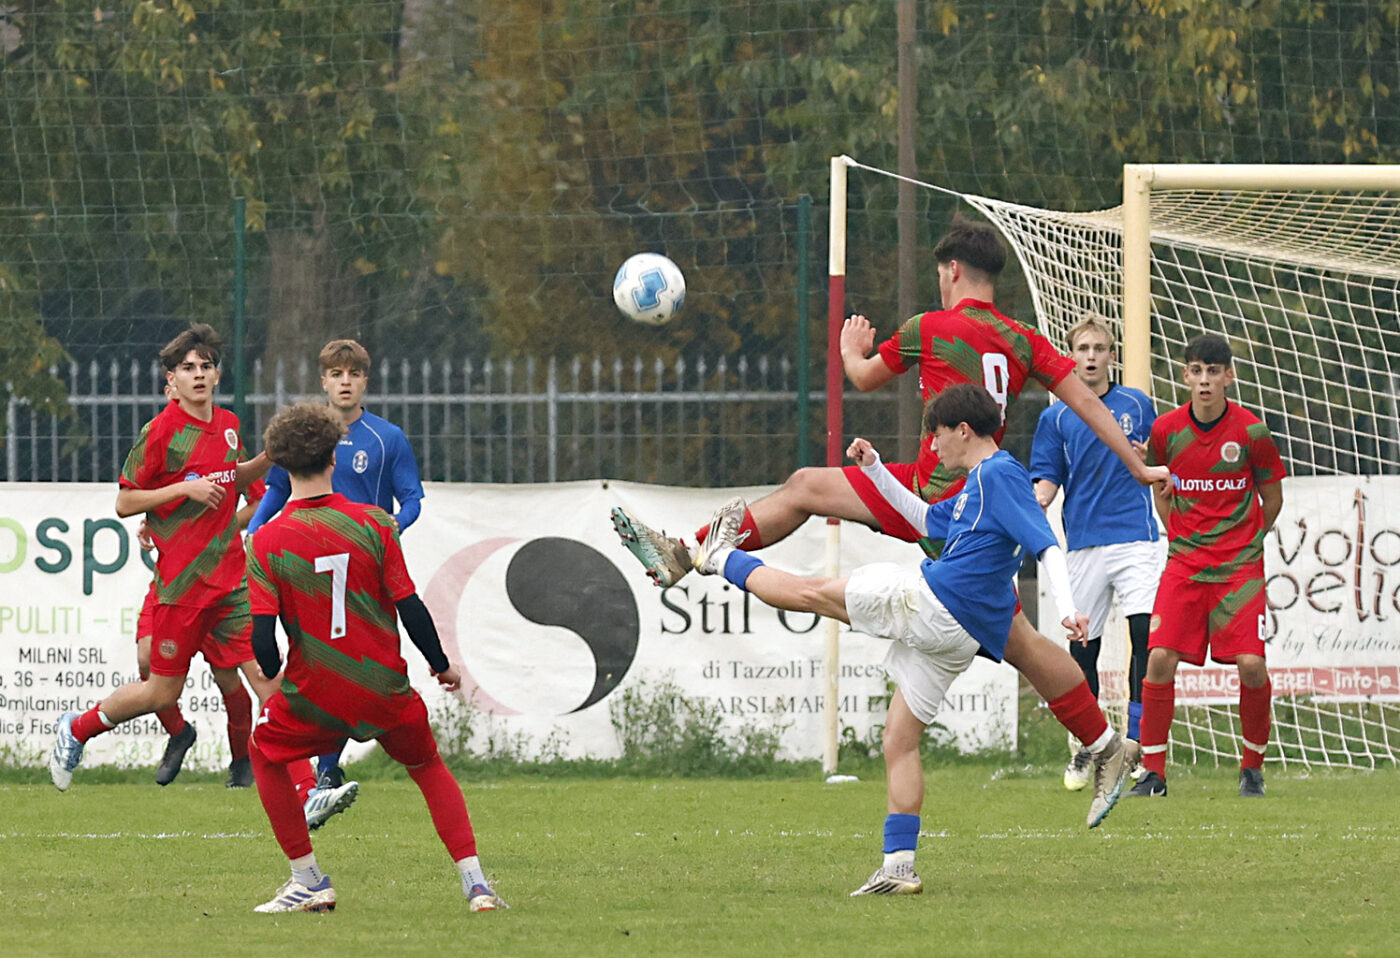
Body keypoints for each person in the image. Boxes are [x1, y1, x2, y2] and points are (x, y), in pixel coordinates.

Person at [611, 215, 1168, 685]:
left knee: (1020, 645)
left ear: (952, 271)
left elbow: (864, 377)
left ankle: (1096, 739)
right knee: (807, 486)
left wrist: (851, 347)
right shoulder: (1026, 338)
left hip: (939, 500)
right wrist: (1137, 465)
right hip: (978, 499)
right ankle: (683, 552)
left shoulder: (930, 326)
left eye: (940, 273)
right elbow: (1089, 408)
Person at [690, 384, 1140, 896]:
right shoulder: (977, 482)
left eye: (937, 434)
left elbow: (1047, 545)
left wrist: (1069, 606)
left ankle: (718, 555)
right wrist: (878, 470)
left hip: (934, 606)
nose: (933, 446)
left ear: (963, 430)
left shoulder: (1000, 475)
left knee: (812, 593)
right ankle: (899, 866)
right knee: (898, 740)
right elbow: (926, 520)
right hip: (956, 633)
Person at [244, 402, 504, 914]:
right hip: (385, 689)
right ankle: (476, 885)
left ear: (279, 464)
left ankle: (308, 880)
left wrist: (272, 676)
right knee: (428, 766)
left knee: (264, 752)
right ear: (334, 460)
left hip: (315, 694)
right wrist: (441, 664)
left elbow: (261, 641)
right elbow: (410, 606)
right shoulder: (375, 524)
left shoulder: (267, 540)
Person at [46, 323, 313, 798]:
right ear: (171, 378)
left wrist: (273, 455)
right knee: (160, 693)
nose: (197, 375)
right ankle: (78, 728)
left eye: (205, 366)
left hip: (232, 582)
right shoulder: (161, 431)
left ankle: (308, 790)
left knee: (268, 681)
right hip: (182, 588)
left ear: (216, 375)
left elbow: (236, 477)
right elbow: (125, 503)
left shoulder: (229, 425)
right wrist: (183, 489)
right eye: (187, 368)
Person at [248, 339, 425, 816]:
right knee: (320, 660)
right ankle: (323, 771)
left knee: (357, 659)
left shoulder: (387, 438)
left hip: (364, 565)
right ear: (323, 381)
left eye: (354, 374)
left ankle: (326, 769)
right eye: (336, 374)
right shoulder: (309, 438)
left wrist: (391, 529)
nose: (345, 382)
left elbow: (411, 499)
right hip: (308, 566)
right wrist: (255, 528)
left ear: (365, 381)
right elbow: (276, 489)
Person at [1127, 333, 1285, 799]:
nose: (1204, 381)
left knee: (1252, 665)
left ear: (1228, 377)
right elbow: (1159, 485)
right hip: (1186, 564)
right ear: (1185, 376)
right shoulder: (1166, 431)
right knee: (1158, 659)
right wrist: (1177, 532)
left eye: (1213, 371)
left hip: (1239, 568)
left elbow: (1272, 497)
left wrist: (1248, 540)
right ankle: (1154, 774)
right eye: (1196, 371)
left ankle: (1252, 768)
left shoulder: (1252, 432)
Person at [1029, 317, 1160, 790]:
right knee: (1083, 647)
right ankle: (1087, 745)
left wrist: (1151, 458)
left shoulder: (1137, 405)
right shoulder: (1055, 417)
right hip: (1082, 543)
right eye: (1082, 347)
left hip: (1137, 538)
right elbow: (1047, 479)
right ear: (1071, 355)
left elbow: (1158, 457)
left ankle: (1138, 744)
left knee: (1144, 636)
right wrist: (1034, 502)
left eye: (1098, 348)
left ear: (1111, 355)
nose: (1090, 355)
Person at [136, 475, 266, 788]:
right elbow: (138, 501)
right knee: (145, 658)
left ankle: (241, 761)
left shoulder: (225, 443)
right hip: (173, 582)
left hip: (219, 585)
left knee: (228, 677)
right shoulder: (163, 447)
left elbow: (260, 500)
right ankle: (180, 733)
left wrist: (221, 527)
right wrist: (151, 523)